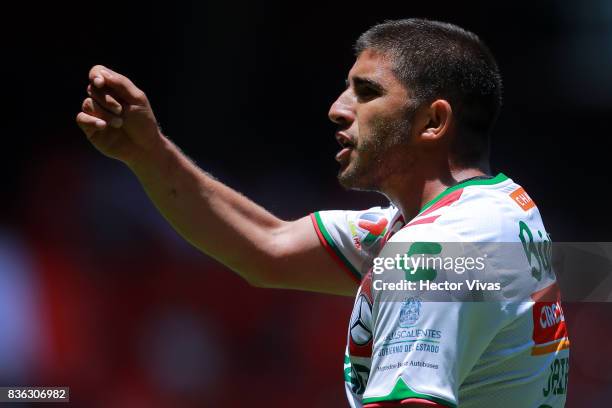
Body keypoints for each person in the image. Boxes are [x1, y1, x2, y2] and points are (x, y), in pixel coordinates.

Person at [77, 18, 569, 408]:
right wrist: (149, 152)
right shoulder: (500, 207)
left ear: (433, 121)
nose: (337, 109)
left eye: (367, 92)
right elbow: (267, 249)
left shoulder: (435, 251)